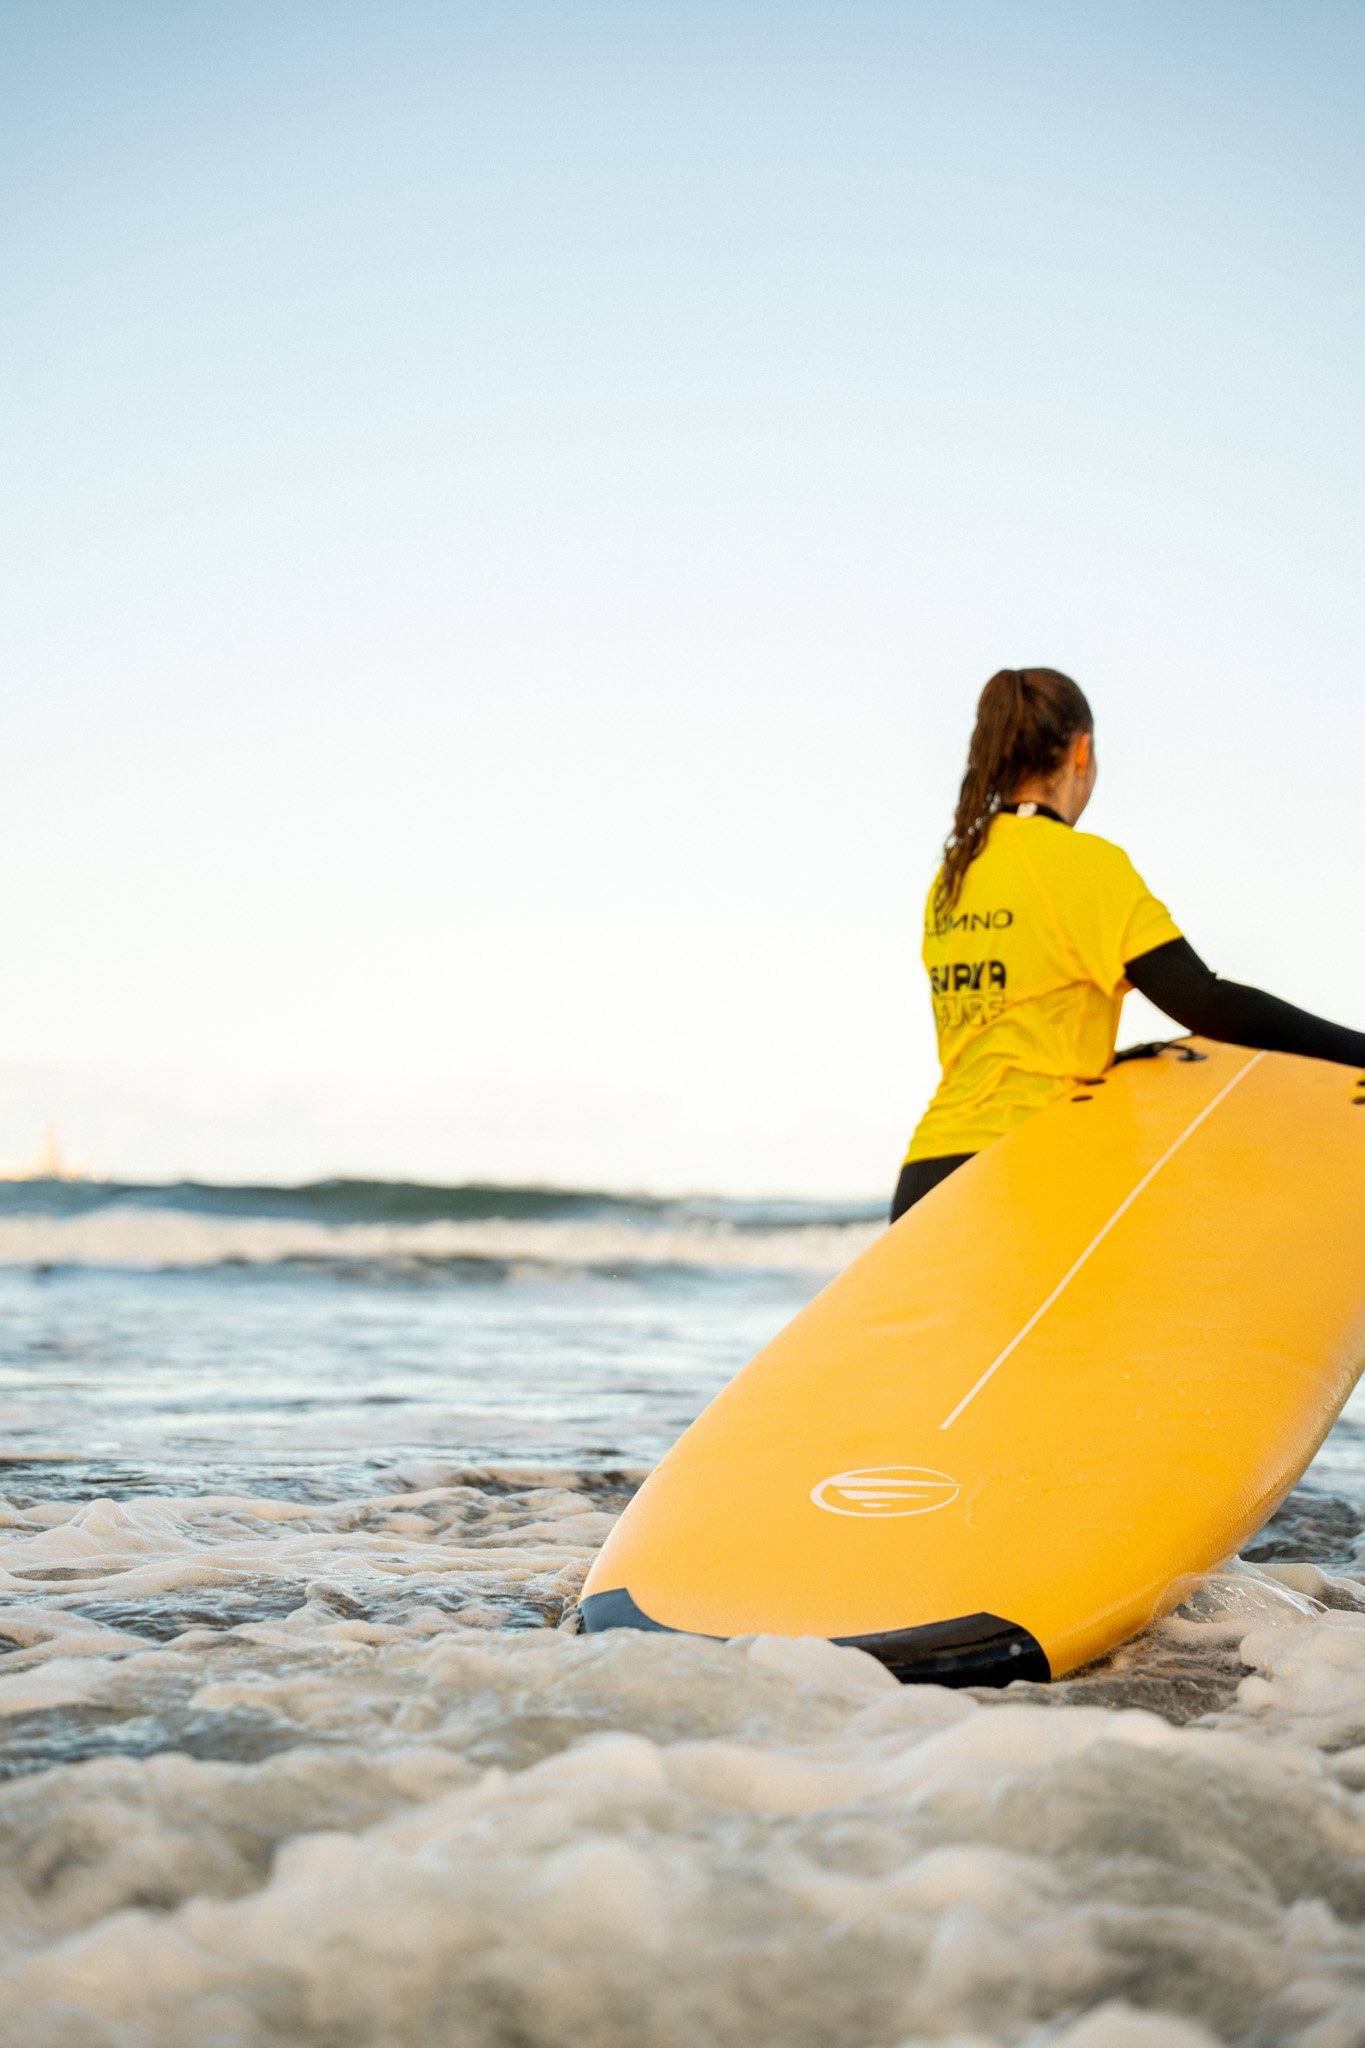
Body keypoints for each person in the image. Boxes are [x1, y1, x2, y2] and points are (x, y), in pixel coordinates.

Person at [892, 668, 1365, 1223]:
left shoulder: (953, 876)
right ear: (1081, 750)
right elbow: (1206, 1004)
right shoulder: (1081, 865)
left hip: (923, 1188)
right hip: (1023, 1173)